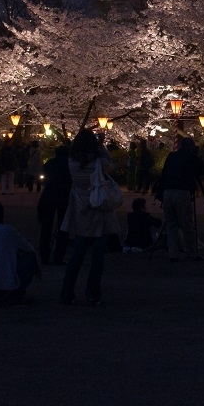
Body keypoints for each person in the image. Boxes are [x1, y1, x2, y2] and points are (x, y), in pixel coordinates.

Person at [59, 129, 119, 306]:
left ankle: (66, 292)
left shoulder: (71, 162)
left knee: (77, 255)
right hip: (98, 209)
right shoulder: (99, 163)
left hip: (81, 210)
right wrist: (101, 145)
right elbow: (111, 165)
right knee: (97, 257)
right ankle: (92, 293)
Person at [0, 200, 39, 306]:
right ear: (2, 216)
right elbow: (28, 247)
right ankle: (18, 293)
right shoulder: (8, 231)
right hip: (6, 291)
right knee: (30, 257)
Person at [158, 137, 204, 262]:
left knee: (171, 224)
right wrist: (198, 157)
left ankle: (173, 253)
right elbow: (203, 171)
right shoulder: (191, 157)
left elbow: (164, 173)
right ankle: (192, 252)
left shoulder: (172, 156)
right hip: (182, 192)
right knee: (187, 224)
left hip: (168, 191)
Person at [37, 146, 72, 265]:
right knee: (63, 227)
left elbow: (43, 177)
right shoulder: (70, 165)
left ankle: (44, 256)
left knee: (46, 227)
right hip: (64, 196)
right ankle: (58, 256)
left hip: (48, 195)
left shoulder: (50, 163)